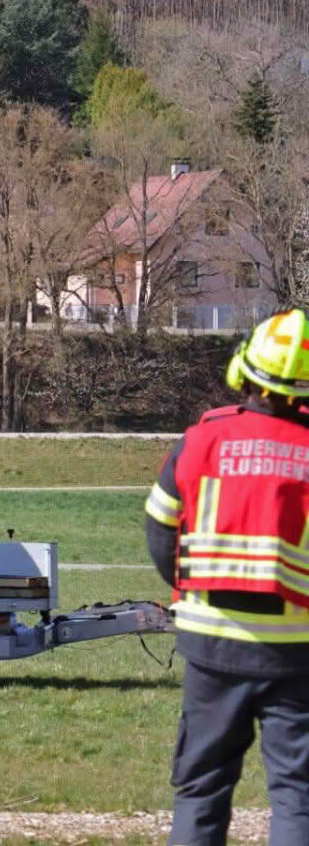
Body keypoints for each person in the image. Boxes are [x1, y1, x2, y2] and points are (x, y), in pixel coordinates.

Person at [146, 309, 309, 846]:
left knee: (202, 787)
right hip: (297, 654)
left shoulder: (201, 440)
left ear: (246, 368)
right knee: (297, 796)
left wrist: (189, 589)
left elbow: (160, 529)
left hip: (211, 643)